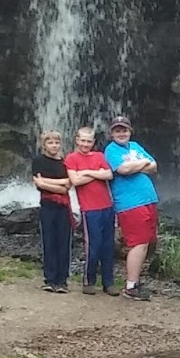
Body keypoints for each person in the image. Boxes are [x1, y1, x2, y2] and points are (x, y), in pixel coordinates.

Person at [102, 114, 157, 302]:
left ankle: (135, 282)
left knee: (146, 242)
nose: (121, 133)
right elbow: (123, 170)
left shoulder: (135, 147)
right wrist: (143, 163)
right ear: (111, 133)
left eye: (124, 129)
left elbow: (155, 166)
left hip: (148, 199)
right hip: (130, 203)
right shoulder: (111, 150)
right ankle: (131, 286)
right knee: (138, 242)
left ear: (130, 131)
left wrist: (135, 166)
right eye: (117, 130)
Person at [64, 125, 116, 295]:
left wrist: (85, 172)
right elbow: (75, 181)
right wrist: (95, 172)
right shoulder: (71, 158)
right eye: (83, 140)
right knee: (93, 245)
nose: (86, 144)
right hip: (89, 209)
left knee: (108, 245)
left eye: (89, 141)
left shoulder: (100, 155)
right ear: (77, 140)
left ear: (94, 142)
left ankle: (109, 283)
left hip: (107, 207)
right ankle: (89, 281)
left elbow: (109, 175)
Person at [31, 130, 72, 293]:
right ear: (44, 144)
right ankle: (50, 279)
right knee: (48, 241)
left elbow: (67, 186)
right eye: (50, 143)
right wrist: (58, 185)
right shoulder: (38, 161)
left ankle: (62, 280)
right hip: (47, 206)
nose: (54, 145)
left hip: (63, 207)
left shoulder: (65, 162)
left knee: (63, 242)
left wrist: (45, 183)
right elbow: (37, 184)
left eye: (56, 142)